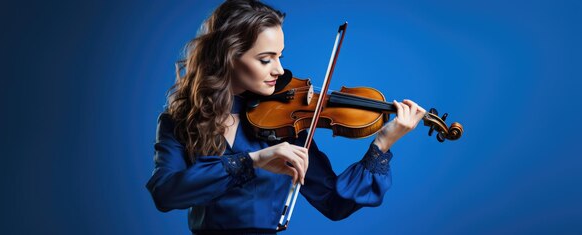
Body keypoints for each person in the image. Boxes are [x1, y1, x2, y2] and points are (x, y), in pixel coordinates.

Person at [145, 0, 426, 234]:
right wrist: (253, 160)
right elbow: (166, 193)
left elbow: (333, 203)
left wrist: (382, 144)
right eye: (266, 59)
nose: (279, 70)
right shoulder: (180, 120)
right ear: (228, 57)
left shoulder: (286, 126)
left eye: (280, 56)